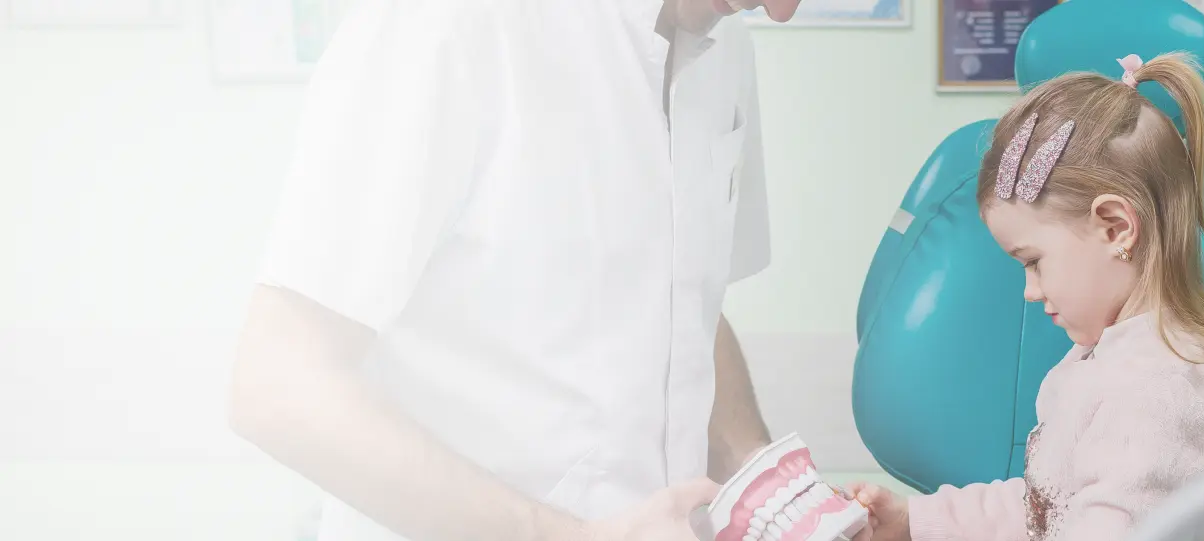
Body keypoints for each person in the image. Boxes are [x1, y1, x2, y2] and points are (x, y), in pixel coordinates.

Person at [226, 0, 805, 540]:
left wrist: (777, 496)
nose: (787, 10)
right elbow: (277, 385)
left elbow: (684, 305)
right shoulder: (442, 23)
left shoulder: (726, 50)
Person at [843, 53, 1204, 541]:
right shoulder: (1113, 361)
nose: (1030, 291)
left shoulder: (1156, 399)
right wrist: (914, 522)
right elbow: (1047, 507)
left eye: (1033, 261)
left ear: (1116, 227)